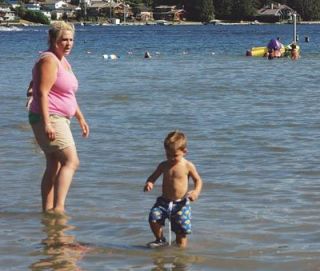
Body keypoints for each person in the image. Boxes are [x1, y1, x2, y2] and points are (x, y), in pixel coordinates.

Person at [28, 21, 89, 214]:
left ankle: (48, 210)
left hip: (60, 118)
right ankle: (59, 208)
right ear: (53, 39)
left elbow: (67, 94)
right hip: (50, 117)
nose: (69, 43)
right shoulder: (49, 60)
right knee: (71, 161)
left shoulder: (62, 60)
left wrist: (80, 117)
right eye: (64, 40)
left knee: (53, 164)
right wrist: (47, 123)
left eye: (71, 40)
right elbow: (41, 93)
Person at [143, 131, 203, 248]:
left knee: (181, 232)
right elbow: (153, 176)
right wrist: (149, 183)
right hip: (163, 201)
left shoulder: (188, 166)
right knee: (153, 218)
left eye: (174, 155)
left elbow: (198, 180)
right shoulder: (163, 165)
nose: (171, 158)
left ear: (184, 152)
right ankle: (160, 239)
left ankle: (181, 255)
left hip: (181, 204)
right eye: (168, 155)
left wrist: (196, 192)